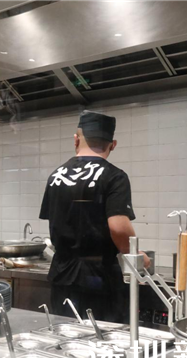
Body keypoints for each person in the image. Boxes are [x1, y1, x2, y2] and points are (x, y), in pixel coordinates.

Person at [39, 111, 150, 323]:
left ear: (76, 140)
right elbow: (118, 226)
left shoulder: (56, 176)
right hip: (98, 278)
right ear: (113, 145)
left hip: (62, 274)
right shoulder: (114, 177)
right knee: (101, 338)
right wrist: (135, 254)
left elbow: (57, 219)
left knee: (64, 334)